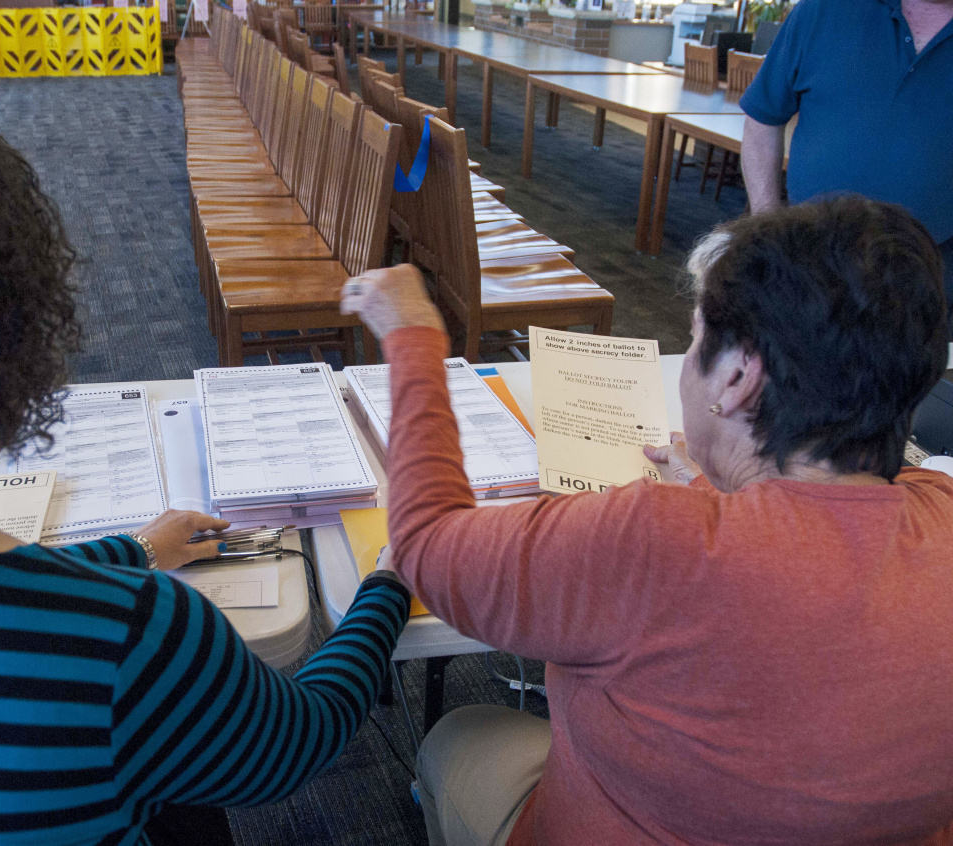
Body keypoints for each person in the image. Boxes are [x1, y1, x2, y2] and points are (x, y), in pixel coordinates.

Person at [0, 95, 410, 845]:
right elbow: (297, 742)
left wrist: (133, 550)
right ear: (6, 336)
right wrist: (386, 587)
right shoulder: (125, 636)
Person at [341, 197, 953, 846]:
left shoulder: (659, 541)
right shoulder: (938, 509)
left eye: (694, 338)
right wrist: (716, 484)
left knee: (457, 736)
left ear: (738, 377)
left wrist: (412, 336)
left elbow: (426, 543)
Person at [739, 0, 953, 309]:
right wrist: (768, 228)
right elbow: (763, 119)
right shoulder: (823, 9)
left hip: (933, 275)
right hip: (809, 262)